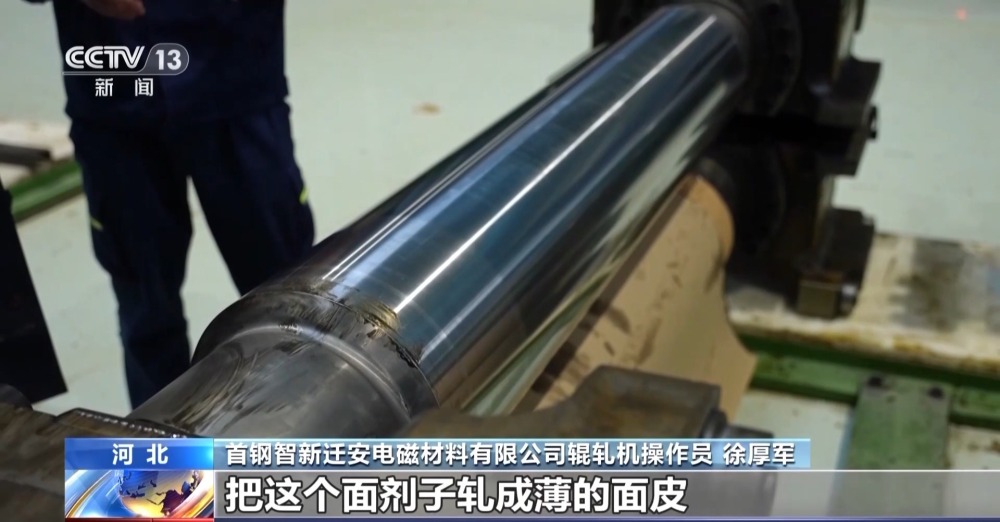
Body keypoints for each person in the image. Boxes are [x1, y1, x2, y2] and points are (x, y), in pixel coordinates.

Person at [26, 0, 316, 408]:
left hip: (235, 78)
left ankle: (314, 425)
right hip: (116, 101)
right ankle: (160, 443)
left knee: (288, 298)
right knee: (147, 316)